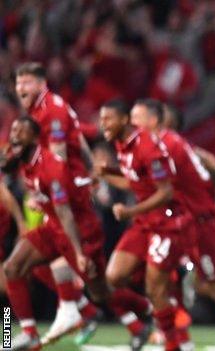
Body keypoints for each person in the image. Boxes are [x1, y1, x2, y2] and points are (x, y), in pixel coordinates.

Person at [2, 117, 151, 351]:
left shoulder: (49, 166)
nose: (14, 136)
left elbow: (8, 198)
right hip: (52, 227)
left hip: (73, 230)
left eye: (20, 131)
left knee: (99, 291)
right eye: (13, 130)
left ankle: (132, 307)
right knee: (12, 273)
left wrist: (21, 223)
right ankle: (72, 313)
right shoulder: (23, 160)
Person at [130, 98, 215, 331]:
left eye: (138, 118)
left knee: (213, 287)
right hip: (183, 221)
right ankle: (174, 325)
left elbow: (204, 165)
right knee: (171, 274)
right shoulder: (163, 147)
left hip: (201, 223)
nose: (134, 124)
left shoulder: (171, 146)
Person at [14, 62, 102, 343]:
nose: (20, 89)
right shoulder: (31, 122)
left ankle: (74, 311)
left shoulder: (48, 111)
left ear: (41, 83)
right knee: (17, 271)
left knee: (15, 272)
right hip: (45, 199)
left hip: (50, 200)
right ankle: (78, 311)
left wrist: (20, 219)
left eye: (26, 82)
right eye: (18, 83)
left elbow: (59, 155)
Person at [96, 100, 194, 351]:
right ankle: (153, 311)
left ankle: (172, 341)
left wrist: (130, 210)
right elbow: (134, 182)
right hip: (145, 221)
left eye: (108, 119)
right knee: (113, 276)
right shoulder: (121, 143)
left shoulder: (149, 147)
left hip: (166, 221)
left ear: (124, 120)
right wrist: (106, 173)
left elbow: (166, 192)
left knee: (155, 285)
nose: (102, 124)